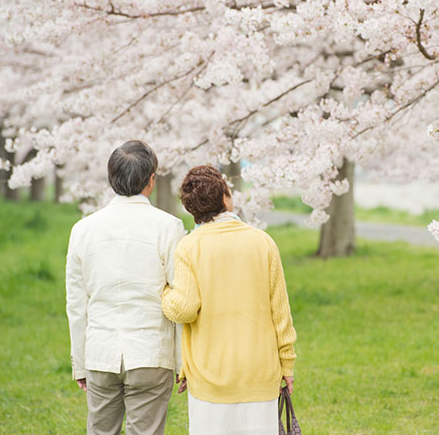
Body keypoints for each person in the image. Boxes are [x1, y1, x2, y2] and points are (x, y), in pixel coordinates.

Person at [161, 165, 297, 435]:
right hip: (259, 372)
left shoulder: (190, 246)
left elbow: (184, 308)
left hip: (210, 376)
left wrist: (165, 293)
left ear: (192, 209)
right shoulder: (263, 242)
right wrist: (287, 364)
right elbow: (280, 312)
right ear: (226, 197)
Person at [65, 140, 187, 435]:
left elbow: (76, 304)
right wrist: (183, 361)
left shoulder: (83, 229)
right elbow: (180, 296)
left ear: (111, 179)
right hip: (150, 353)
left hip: (100, 352)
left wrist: (80, 363)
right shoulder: (169, 226)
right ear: (151, 181)